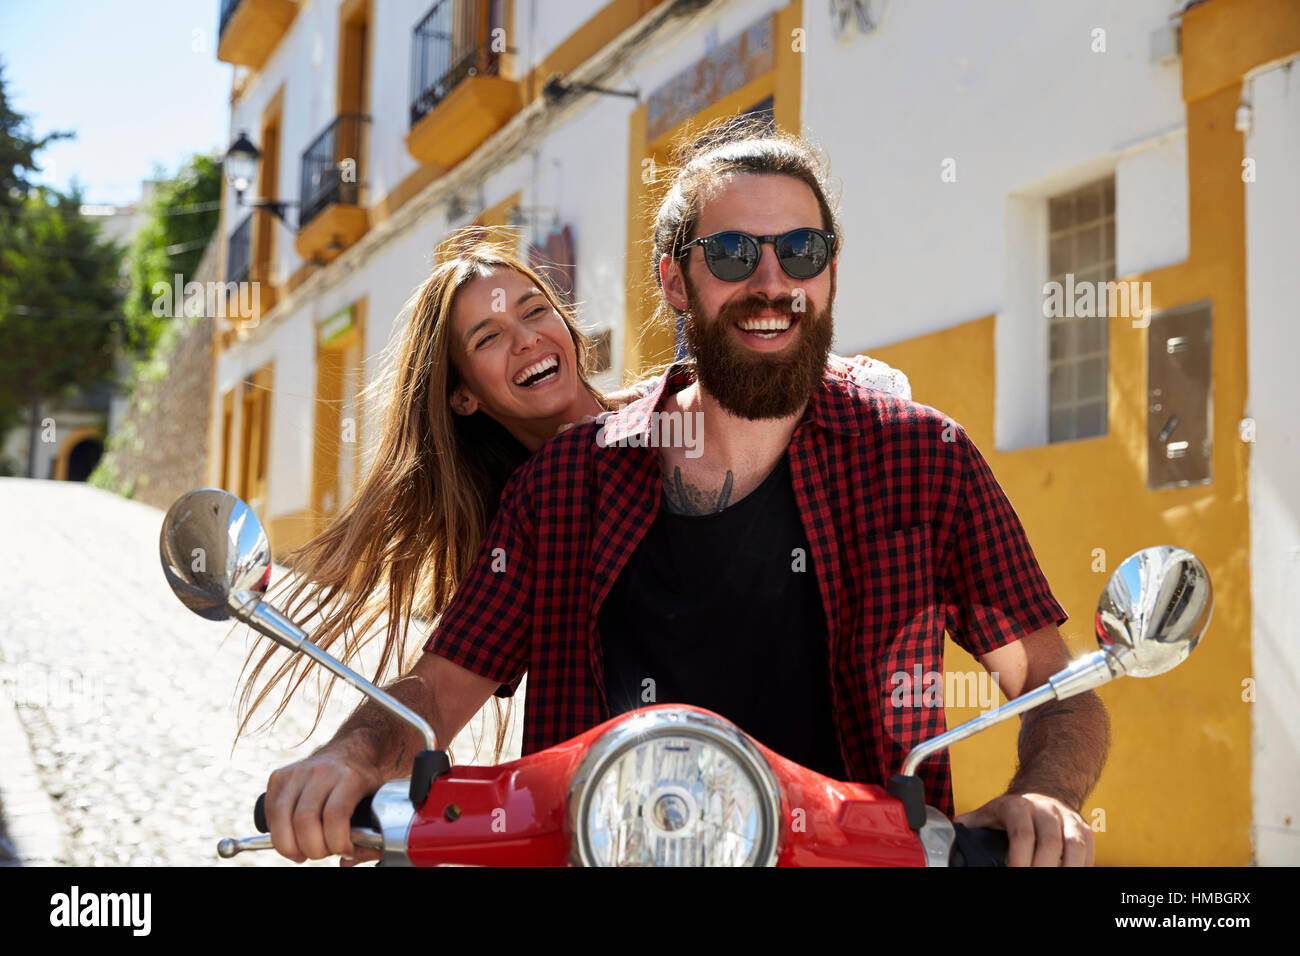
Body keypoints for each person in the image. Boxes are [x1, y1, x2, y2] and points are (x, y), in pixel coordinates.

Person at [263, 123, 1109, 869]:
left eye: (802, 253)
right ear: (676, 282)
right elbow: (437, 690)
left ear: (831, 274)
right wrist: (351, 755)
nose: (773, 282)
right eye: (735, 254)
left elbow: (1052, 686)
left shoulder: (923, 459)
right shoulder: (563, 484)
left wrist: (1047, 795)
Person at [244, 226, 912, 857]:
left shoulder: (695, 414)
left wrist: (857, 396)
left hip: (811, 824)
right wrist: (355, 752)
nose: (527, 340)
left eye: (536, 312)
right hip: (615, 841)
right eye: (488, 337)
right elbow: (439, 689)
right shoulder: (529, 514)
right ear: (462, 397)